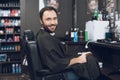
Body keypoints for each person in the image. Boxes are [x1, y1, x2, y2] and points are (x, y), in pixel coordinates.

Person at [36, 6, 109, 80]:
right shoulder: (44, 38)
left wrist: (80, 55)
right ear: (41, 21)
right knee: (90, 60)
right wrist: (78, 59)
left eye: (55, 18)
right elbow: (55, 64)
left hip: (61, 66)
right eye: (48, 19)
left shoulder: (45, 35)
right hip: (60, 72)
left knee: (88, 58)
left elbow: (59, 57)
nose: (53, 22)